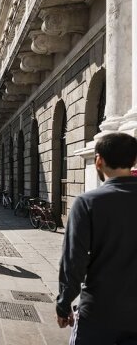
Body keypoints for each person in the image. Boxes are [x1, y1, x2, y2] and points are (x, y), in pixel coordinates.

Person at [56, 133, 137, 344]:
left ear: (99, 160)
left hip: (100, 314)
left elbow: (74, 261)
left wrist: (63, 305)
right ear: (134, 160)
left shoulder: (87, 203)